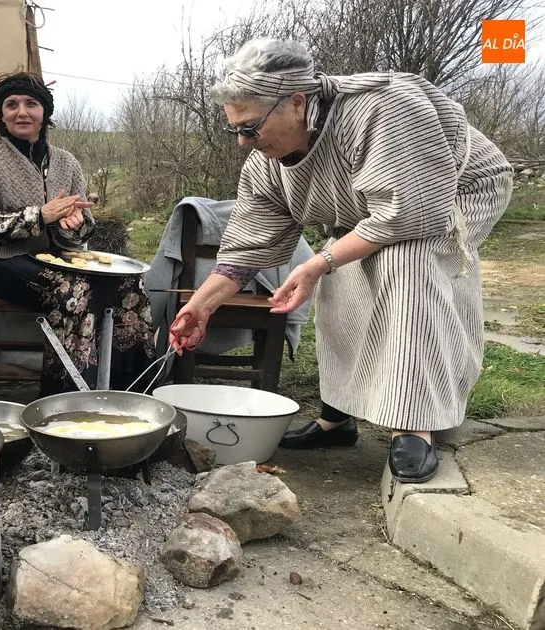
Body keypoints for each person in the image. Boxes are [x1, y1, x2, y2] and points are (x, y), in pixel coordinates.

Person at [169, 39, 513, 484]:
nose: (241, 142)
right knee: (341, 283)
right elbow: (247, 246)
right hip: (378, 210)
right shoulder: (265, 163)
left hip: (451, 193)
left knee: (405, 264)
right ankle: (338, 417)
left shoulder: (382, 109)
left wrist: (319, 262)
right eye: (234, 129)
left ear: (295, 102)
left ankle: (415, 424)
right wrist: (202, 306)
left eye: (250, 127)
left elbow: (407, 212)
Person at [0, 71, 156, 396]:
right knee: (77, 291)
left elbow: (81, 227)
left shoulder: (66, 163)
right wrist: (37, 217)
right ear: (1, 113)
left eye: (31, 103)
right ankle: (65, 400)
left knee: (130, 284)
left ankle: (129, 392)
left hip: (55, 260)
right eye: (11, 104)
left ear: (45, 112)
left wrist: (73, 223)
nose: (21, 112)